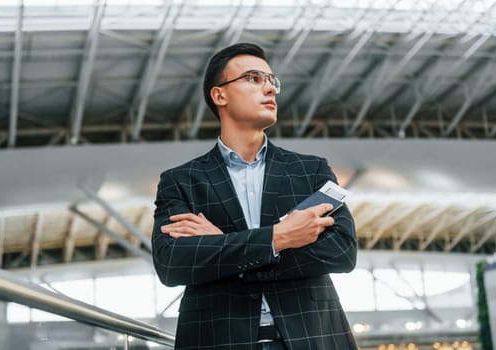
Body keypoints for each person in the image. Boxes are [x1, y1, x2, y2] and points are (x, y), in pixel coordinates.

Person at [151, 43, 358, 350]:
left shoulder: (310, 171)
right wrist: (278, 238)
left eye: (272, 80)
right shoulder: (181, 181)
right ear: (219, 95)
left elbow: (341, 252)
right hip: (218, 341)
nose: (270, 89)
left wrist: (225, 246)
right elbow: (172, 264)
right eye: (253, 78)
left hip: (313, 338)